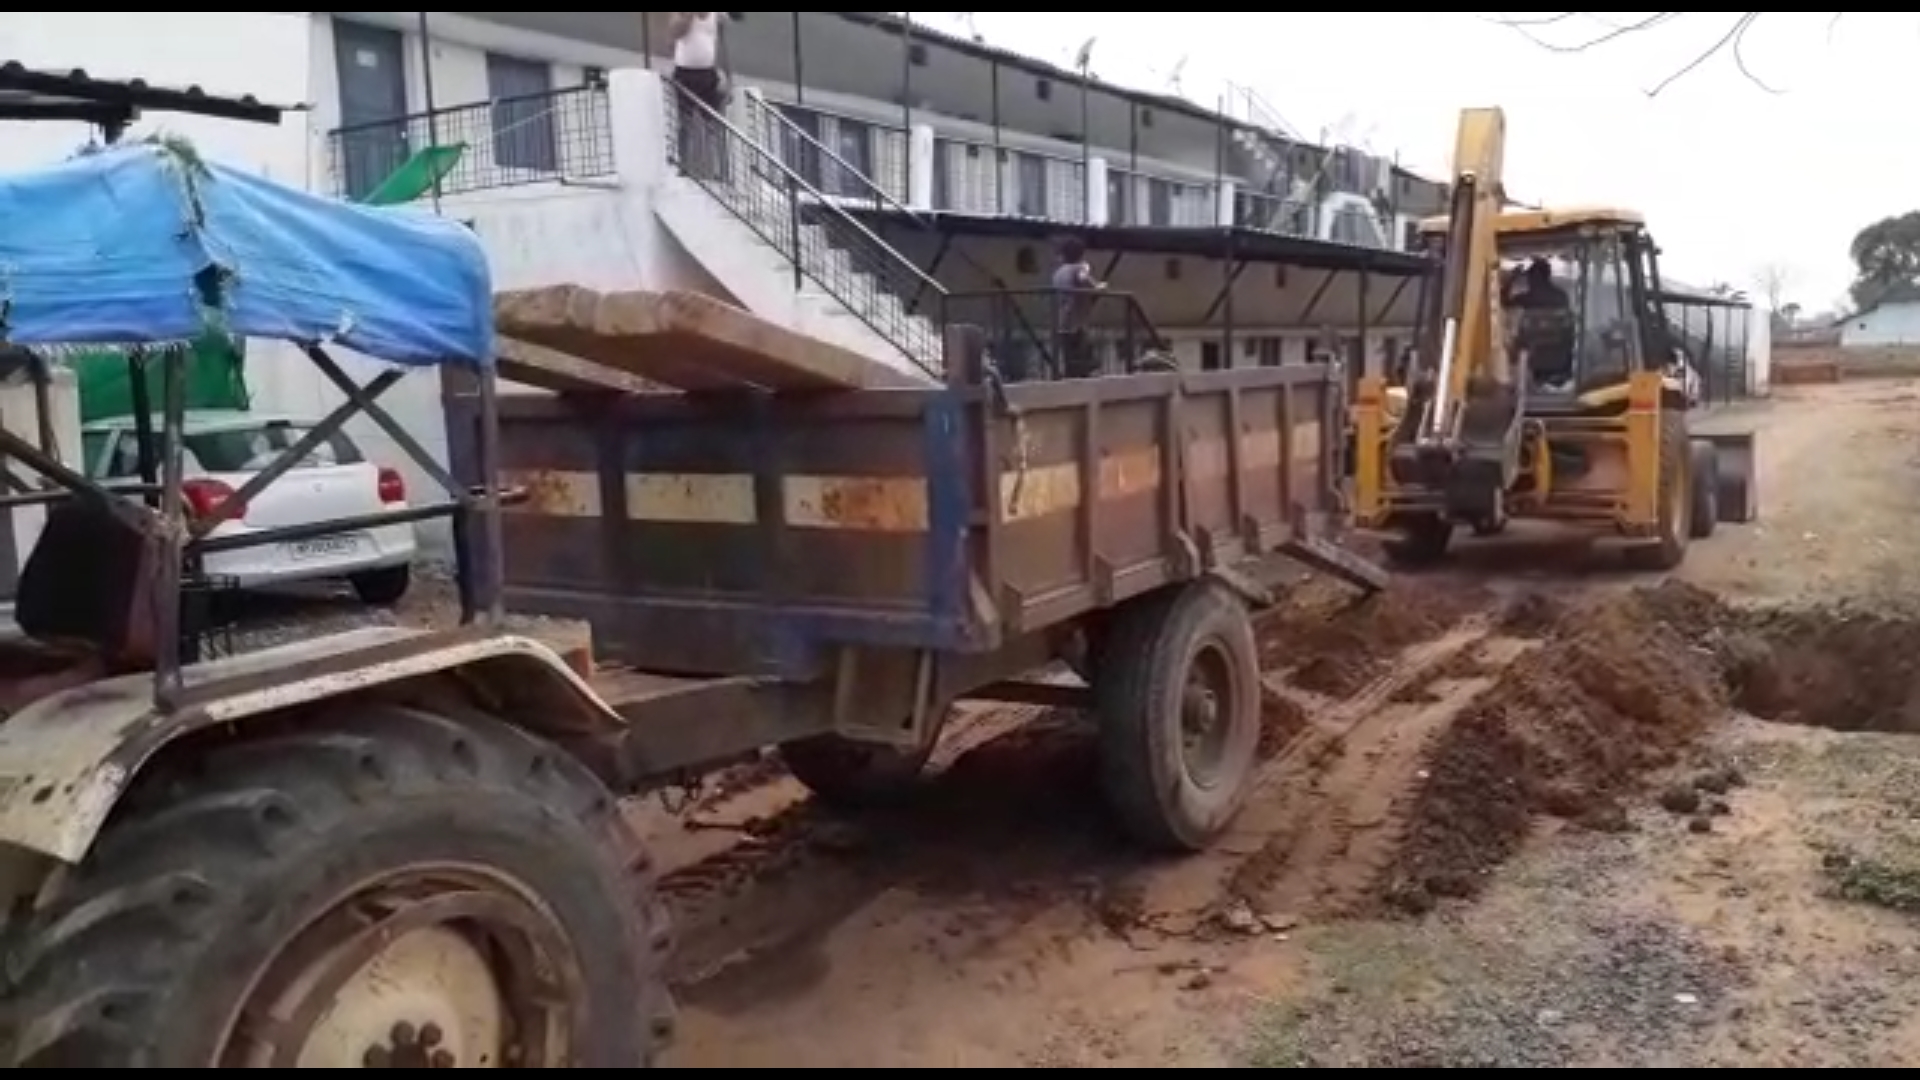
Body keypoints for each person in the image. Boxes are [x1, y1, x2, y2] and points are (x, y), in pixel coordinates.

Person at [669, 12, 731, 179]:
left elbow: (721, 46)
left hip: (708, 73)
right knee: (685, 123)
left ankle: (715, 169)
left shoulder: (717, 16)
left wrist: (727, 76)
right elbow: (675, 33)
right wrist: (688, 17)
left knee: (712, 124)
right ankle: (685, 167)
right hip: (685, 73)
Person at [1049, 236, 1105, 378]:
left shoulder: (1059, 273)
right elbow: (1082, 278)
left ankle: (1072, 379)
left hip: (1062, 322)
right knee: (1083, 358)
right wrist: (1097, 286)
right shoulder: (1079, 268)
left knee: (1070, 360)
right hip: (1076, 323)